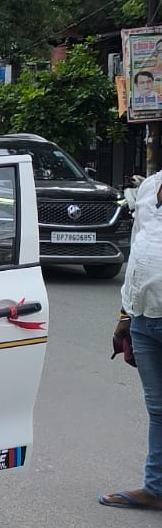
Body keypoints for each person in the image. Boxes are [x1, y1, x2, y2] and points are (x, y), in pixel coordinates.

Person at [103, 168, 162, 509]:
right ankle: (155, 488)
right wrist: (125, 315)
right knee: (157, 409)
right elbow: (138, 251)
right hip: (143, 316)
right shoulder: (150, 187)